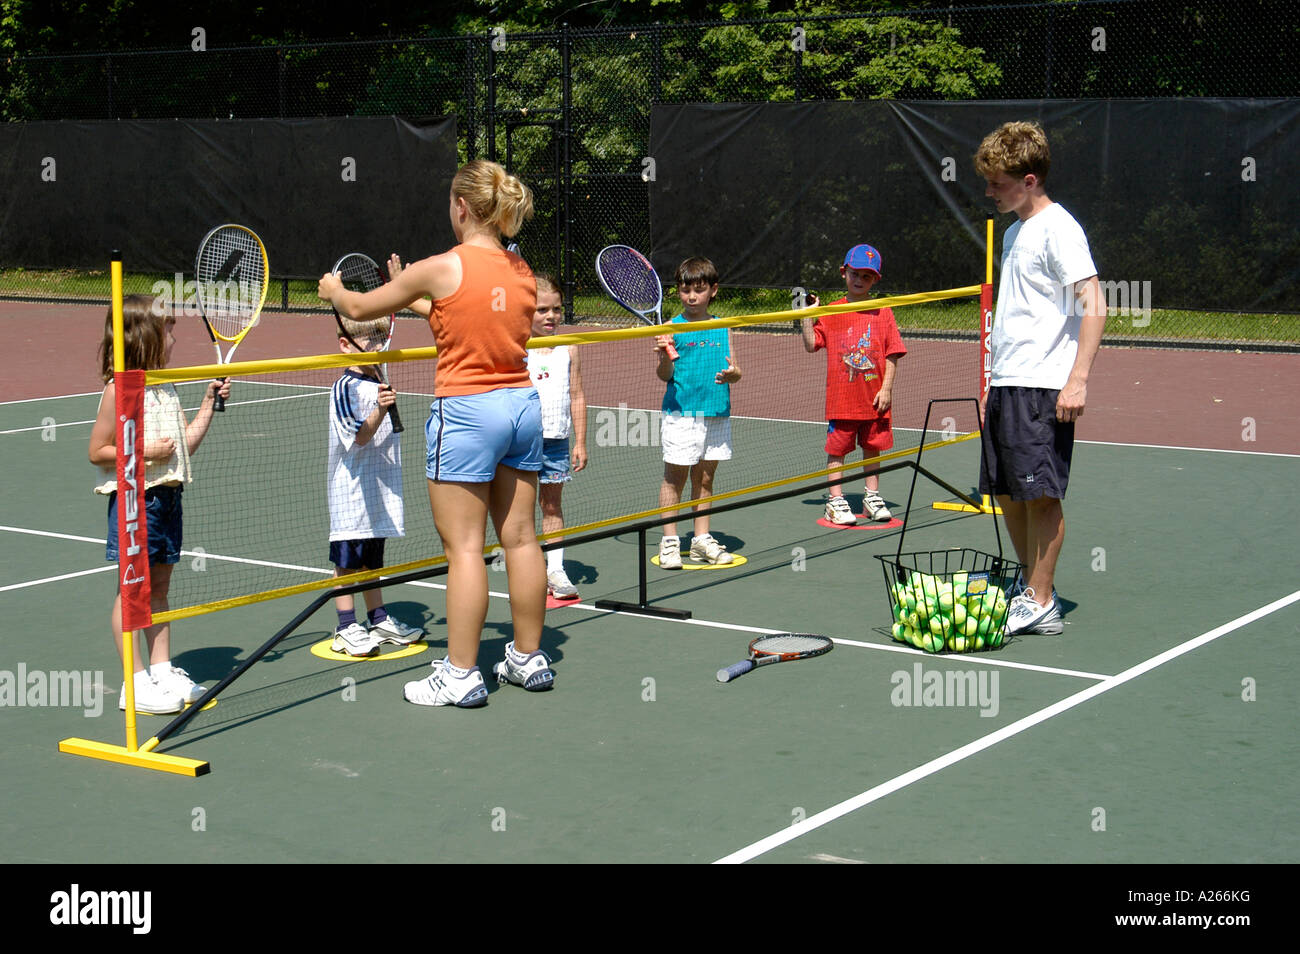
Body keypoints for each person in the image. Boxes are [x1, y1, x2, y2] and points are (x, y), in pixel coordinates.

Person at [319, 159, 552, 707]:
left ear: (462, 206)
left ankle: (462, 673)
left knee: (465, 548)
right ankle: (528, 657)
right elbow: (463, 313)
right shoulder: (521, 270)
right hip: (521, 408)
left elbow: (357, 307)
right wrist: (412, 289)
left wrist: (334, 289)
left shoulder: (441, 266)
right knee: (521, 538)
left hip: (468, 412)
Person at [973, 120, 1104, 636]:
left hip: (1043, 384)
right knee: (1007, 491)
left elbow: (1094, 304)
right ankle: (1030, 585)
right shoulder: (1014, 232)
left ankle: (1042, 599)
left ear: (1029, 181)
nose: (989, 192)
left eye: (998, 183)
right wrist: (996, 380)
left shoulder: (1059, 228)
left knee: (1040, 493)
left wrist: (1078, 380)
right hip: (1009, 380)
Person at [89, 295, 230, 714]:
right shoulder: (119, 390)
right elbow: (97, 451)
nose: (174, 338)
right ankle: (134, 683)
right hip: (136, 502)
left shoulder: (166, 385)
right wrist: (144, 451)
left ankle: (162, 670)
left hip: (169, 499)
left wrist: (208, 403)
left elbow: (184, 446)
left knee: (160, 588)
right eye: (168, 329)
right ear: (145, 336)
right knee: (131, 592)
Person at [325, 316, 425, 656]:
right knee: (346, 561)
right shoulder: (345, 388)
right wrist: (381, 411)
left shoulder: (378, 381)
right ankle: (345, 626)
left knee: (372, 560)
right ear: (345, 345)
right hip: (350, 492)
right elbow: (359, 437)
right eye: (371, 340)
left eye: (382, 339)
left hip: (379, 489)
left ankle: (378, 619)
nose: (379, 346)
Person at [799, 244, 906, 525]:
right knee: (837, 450)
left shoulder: (883, 312)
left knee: (873, 448)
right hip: (842, 400)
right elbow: (811, 344)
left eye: (866, 276)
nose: (859, 280)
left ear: (875, 280)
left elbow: (893, 353)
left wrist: (887, 389)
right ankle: (835, 501)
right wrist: (807, 315)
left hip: (875, 399)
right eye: (855, 273)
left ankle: (872, 497)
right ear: (843, 272)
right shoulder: (832, 312)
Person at [654, 257, 742, 569]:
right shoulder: (670, 328)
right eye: (685, 290)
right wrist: (665, 355)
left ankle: (701, 540)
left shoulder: (722, 326)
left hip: (716, 411)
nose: (691, 296)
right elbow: (664, 375)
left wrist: (733, 374)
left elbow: (736, 370)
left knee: (705, 478)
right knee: (674, 478)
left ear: (713, 290)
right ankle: (670, 542)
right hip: (682, 414)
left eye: (699, 290)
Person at [525, 273, 588, 599]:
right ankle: (524, 568)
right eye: (542, 309)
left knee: (551, 505)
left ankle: (556, 569)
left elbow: (577, 395)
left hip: (556, 441)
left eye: (557, 309)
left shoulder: (569, 348)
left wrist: (580, 441)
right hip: (520, 442)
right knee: (519, 509)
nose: (551, 316)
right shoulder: (517, 347)